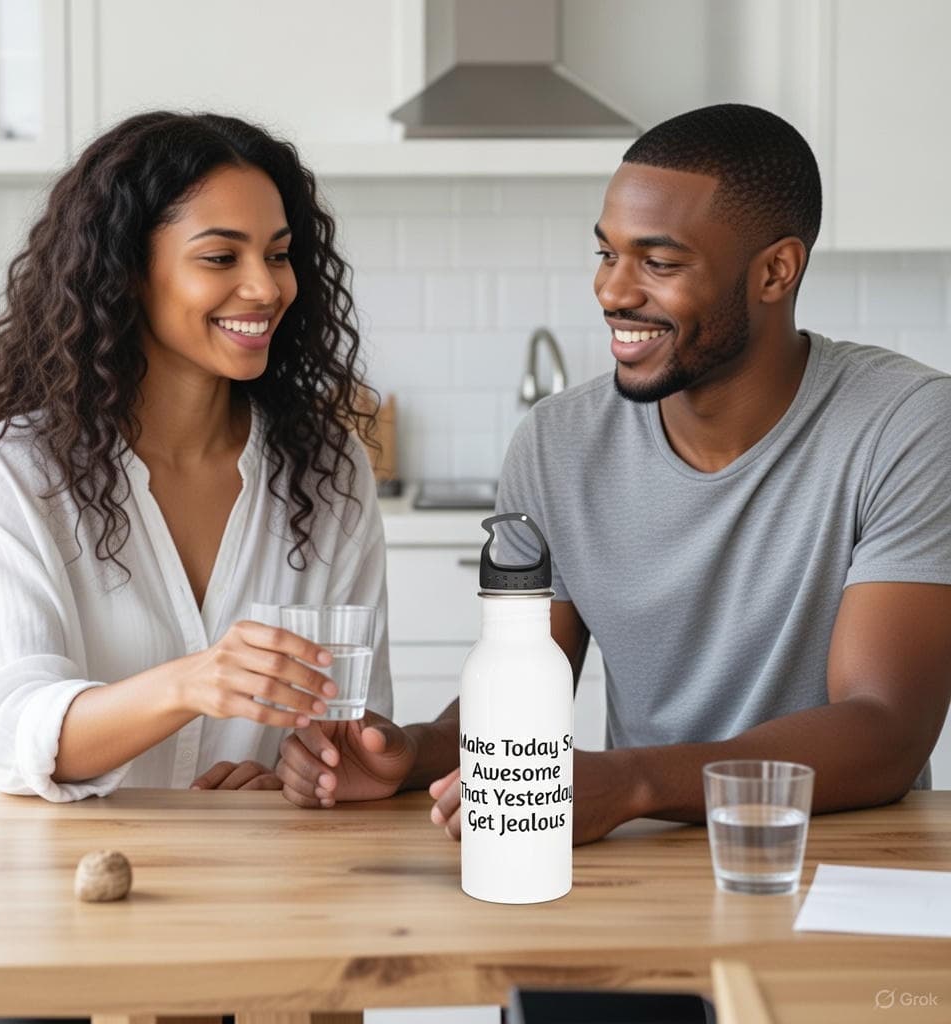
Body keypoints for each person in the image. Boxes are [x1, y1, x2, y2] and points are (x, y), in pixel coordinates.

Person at [273, 103, 951, 844]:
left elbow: (885, 729)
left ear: (775, 272)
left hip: (838, 854)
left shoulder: (907, 424)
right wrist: (406, 755)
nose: (613, 292)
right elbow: (527, 679)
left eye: (659, 263)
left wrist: (631, 782)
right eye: (607, 254)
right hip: (645, 852)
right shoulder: (556, 442)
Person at [0, 111, 393, 804]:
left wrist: (302, 776)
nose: (267, 288)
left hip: (271, 882)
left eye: (277, 253)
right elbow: (10, 729)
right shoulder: (20, 471)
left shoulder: (328, 469)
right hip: (73, 885)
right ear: (126, 274)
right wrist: (191, 683)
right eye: (220, 257)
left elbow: (352, 730)